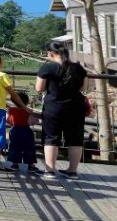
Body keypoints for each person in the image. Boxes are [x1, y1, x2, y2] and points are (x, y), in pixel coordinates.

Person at [35, 40, 88, 179]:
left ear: (50, 53)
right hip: (76, 107)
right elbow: (84, 87)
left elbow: (39, 88)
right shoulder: (78, 67)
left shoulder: (47, 68)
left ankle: (50, 170)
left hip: (54, 107)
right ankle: (72, 171)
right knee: (75, 139)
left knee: (51, 137)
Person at [0, 52, 33, 171]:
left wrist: (5, 103)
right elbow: (13, 94)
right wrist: (24, 107)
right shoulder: (1, 75)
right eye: (1, 59)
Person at [6, 92, 41, 174]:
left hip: (15, 131)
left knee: (14, 147)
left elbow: (8, 121)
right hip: (26, 131)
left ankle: (15, 164)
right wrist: (36, 120)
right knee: (29, 148)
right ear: (27, 102)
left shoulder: (12, 110)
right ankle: (31, 165)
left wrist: (8, 114)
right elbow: (31, 122)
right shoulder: (28, 111)